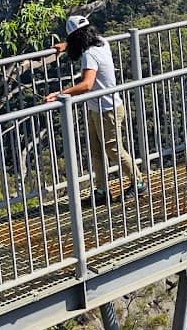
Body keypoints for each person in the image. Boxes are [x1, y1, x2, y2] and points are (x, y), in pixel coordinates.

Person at [46, 14, 147, 201]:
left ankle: (138, 183)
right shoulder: (101, 42)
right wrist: (65, 45)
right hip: (100, 107)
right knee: (97, 151)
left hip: (106, 110)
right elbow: (81, 40)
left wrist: (60, 94)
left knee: (113, 149)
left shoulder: (89, 55)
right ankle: (101, 192)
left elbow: (87, 85)